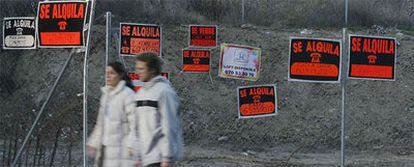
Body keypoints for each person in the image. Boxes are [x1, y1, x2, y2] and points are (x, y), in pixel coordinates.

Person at [130, 52, 183, 167]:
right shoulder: (140, 94)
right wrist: (137, 155)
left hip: (158, 158)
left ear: (152, 70)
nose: (137, 72)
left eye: (141, 69)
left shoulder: (164, 92)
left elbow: (169, 126)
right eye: (137, 68)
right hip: (144, 159)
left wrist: (166, 158)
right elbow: (136, 126)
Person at [87, 61, 138, 167]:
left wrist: (132, 146)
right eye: (106, 73)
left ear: (120, 75)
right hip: (104, 148)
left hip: (121, 152)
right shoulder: (106, 95)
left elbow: (136, 124)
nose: (108, 76)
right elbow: (100, 123)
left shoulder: (128, 95)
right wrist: (93, 142)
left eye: (112, 73)